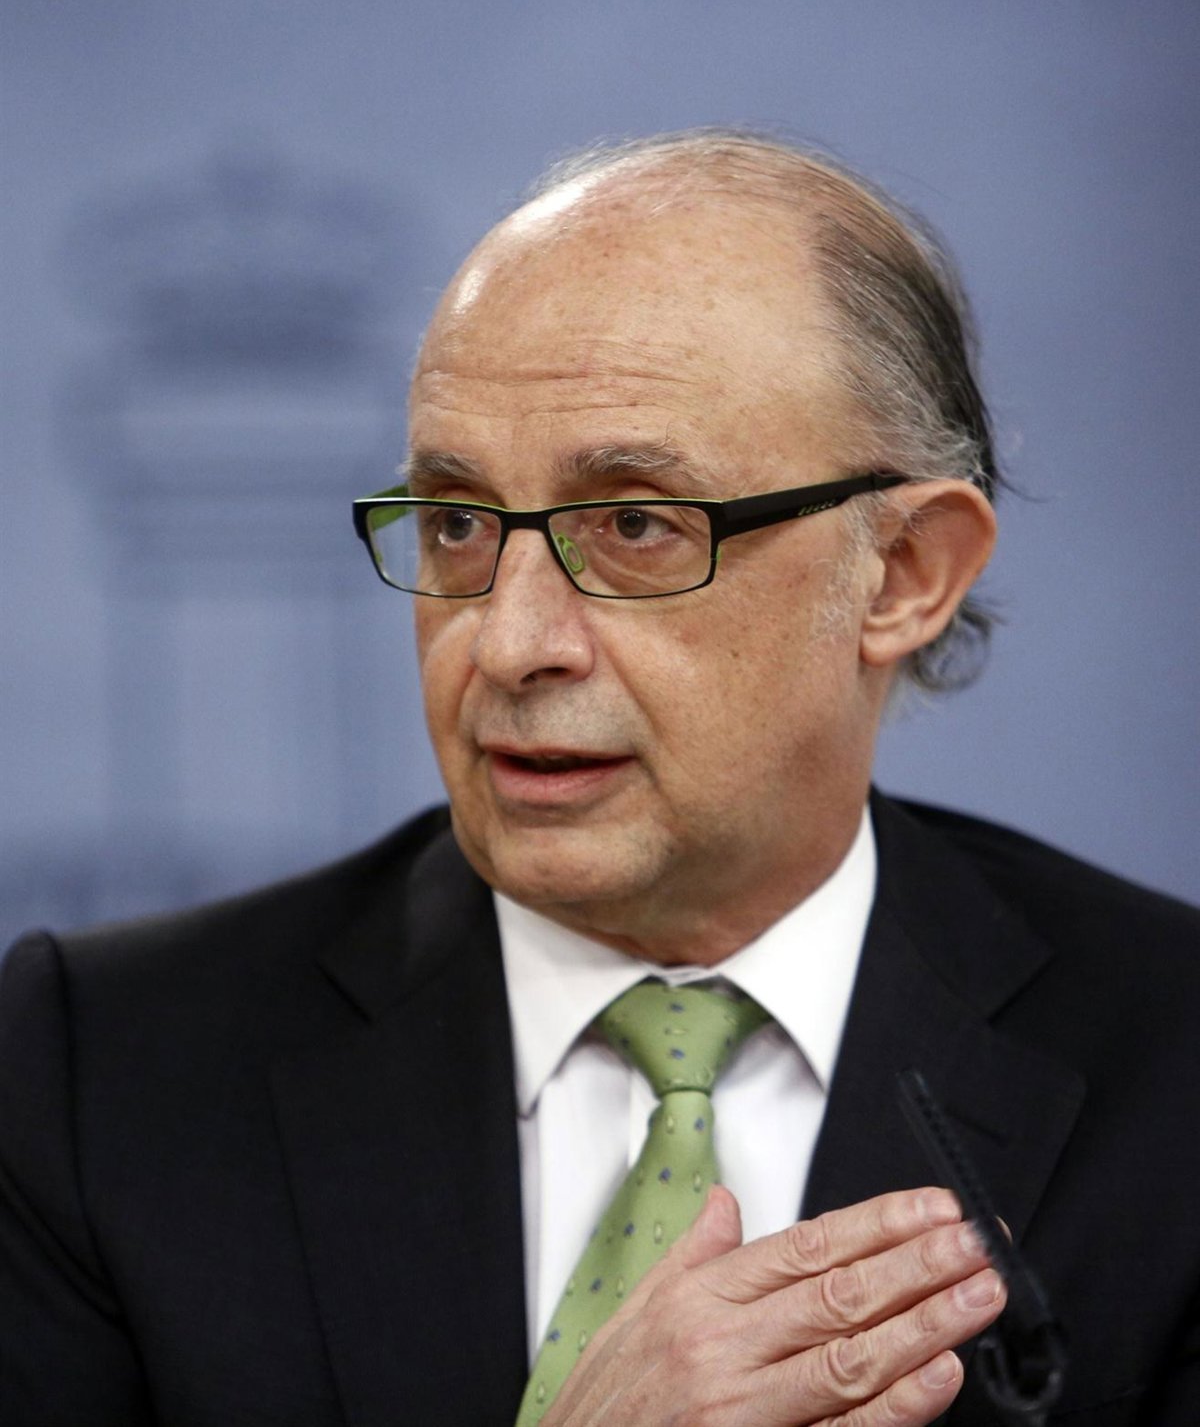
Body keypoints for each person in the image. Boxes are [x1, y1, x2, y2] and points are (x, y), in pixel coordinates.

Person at [1, 131, 1197, 1427]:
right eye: (458, 523)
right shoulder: (93, 1075)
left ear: (903, 574)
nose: (508, 644)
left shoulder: (1171, 1066)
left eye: (635, 525)